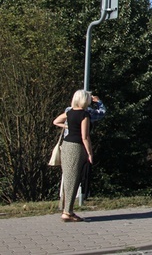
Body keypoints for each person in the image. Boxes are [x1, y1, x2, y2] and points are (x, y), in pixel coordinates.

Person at [53, 90, 94, 222]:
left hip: (66, 145)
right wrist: (90, 153)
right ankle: (67, 212)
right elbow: (85, 136)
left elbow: (56, 121)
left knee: (68, 177)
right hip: (76, 147)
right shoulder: (84, 115)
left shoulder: (69, 112)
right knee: (74, 179)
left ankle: (66, 209)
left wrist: (67, 126)